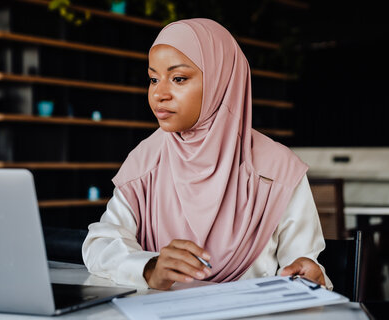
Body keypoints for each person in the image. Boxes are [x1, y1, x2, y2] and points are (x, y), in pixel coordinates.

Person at [82, 18, 332, 291]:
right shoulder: (146, 161)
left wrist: (312, 275)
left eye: (178, 78)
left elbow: (304, 264)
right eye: (153, 79)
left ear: (220, 81)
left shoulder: (277, 170)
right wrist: (150, 267)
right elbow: (100, 244)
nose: (159, 93)